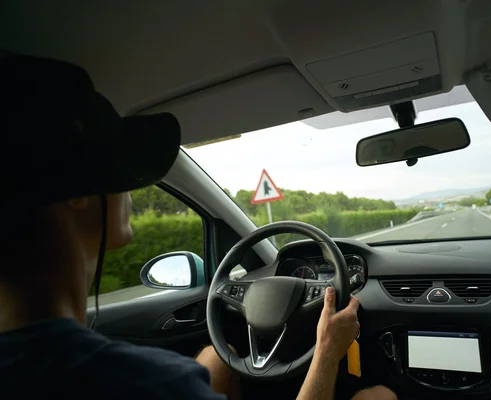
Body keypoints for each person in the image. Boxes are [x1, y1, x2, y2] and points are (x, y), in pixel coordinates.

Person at [0, 54, 397, 400]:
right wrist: (327, 349)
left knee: (213, 356)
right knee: (376, 396)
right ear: (79, 195)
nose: (132, 192)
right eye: (118, 171)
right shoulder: (154, 386)